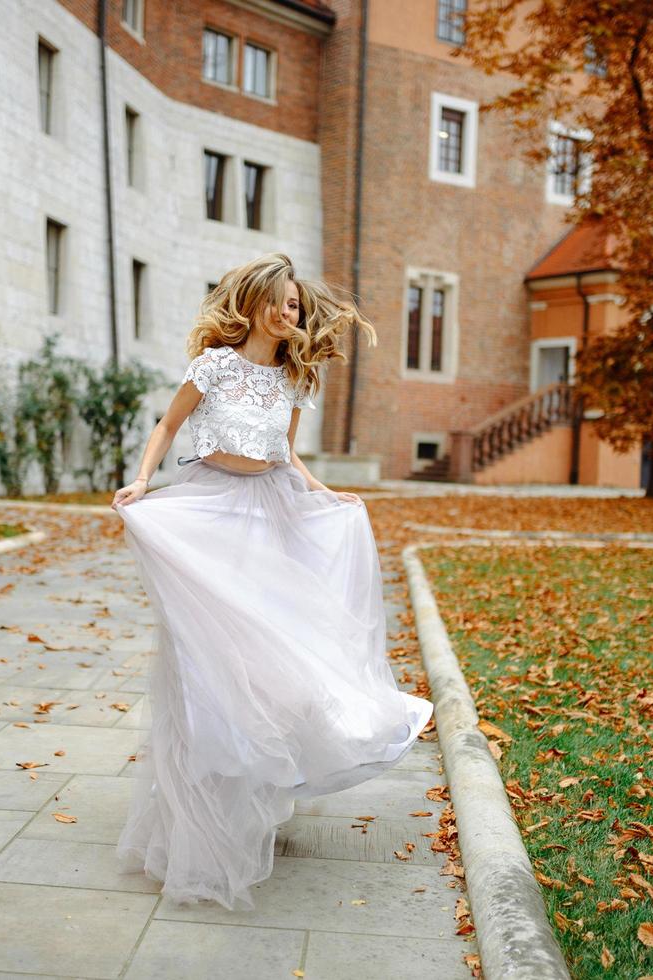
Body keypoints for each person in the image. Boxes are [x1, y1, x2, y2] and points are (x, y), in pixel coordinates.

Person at [109, 252, 434, 912]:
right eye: (283, 303)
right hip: (210, 512)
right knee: (206, 665)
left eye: (297, 306)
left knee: (272, 658)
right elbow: (169, 426)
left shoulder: (291, 380)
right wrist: (144, 479)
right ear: (254, 301)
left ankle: (261, 781)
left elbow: (287, 455)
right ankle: (194, 821)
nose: (292, 314)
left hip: (269, 515)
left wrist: (323, 494)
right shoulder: (214, 366)